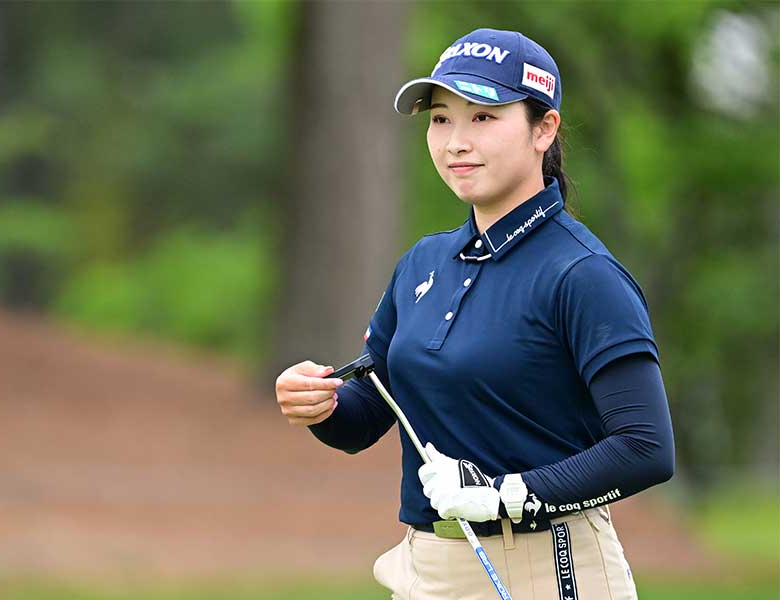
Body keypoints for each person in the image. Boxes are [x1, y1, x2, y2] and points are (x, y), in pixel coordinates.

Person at [275, 27, 674, 600]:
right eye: (441, 119)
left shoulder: (582, 274)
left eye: (483, 118)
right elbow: (368, 416)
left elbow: (645, 447)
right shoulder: (423, 263)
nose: (455, 141)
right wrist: (321, 404)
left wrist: (511, 493)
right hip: (426, 568)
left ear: (545, 129)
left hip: (550, 567)